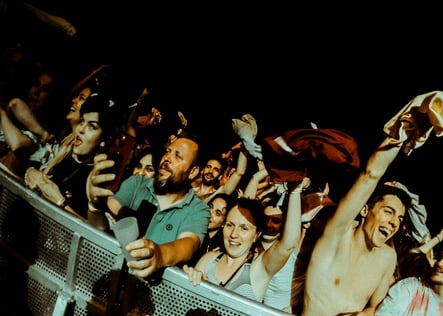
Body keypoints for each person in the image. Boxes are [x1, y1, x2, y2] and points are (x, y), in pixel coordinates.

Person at [300, 90, 443, 316]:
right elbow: (370, 175)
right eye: (388, 212)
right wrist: (399, 135)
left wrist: (365, 315)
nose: (394, 222)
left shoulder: (387, 258)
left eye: (399, 219)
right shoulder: (338, 235)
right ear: (364, 210)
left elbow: (376, 308)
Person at [85, 130, 210, 279]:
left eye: (178, 156)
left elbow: (188, 245)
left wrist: (160, 254)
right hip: (106, 274)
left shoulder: (198, 209)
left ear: (193, 172)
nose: (167, 158)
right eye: (168, 151)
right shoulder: (137, 184)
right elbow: (103, 222)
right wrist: (96, 205)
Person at [182, 179, 306, 304]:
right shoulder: (208, 259)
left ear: (256, 235)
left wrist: (295, 190)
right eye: (230, 225)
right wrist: (189, 280)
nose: (234, 234)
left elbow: (288, 245)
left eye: (244, 228)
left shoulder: (259, 269)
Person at [23, 93, 119, 218]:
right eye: (82, 121)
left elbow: (90, 228)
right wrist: (31, 173)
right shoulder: (63, 155)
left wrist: (59, 201)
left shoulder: (97, 179)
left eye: (92, 126)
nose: (81, 129)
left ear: (104, 139)